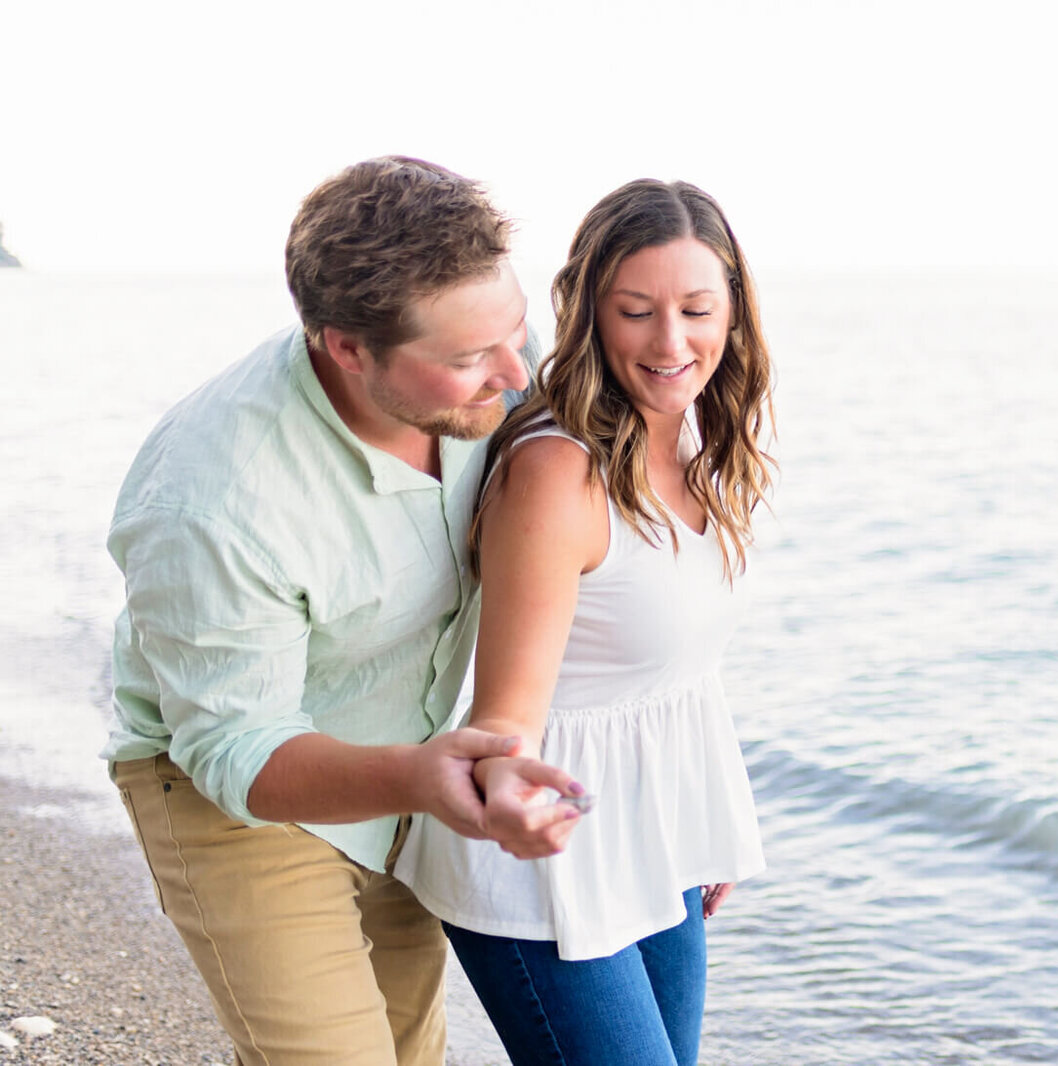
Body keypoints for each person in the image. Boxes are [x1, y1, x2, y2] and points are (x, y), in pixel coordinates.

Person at [102, 155, 586, 1066]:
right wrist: (418, 777)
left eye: (515, 331)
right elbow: (238, 751)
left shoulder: (489, 356)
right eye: (467, 360)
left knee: (410, 1054)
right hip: (237, 793)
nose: (516, 374)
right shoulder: (212, 499)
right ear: (347, 347)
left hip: (410, 760)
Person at [394, 179, 776, 1066]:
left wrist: (703, 820)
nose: (671, 342)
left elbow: (679, 673)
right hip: (543, 860)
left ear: (734, 313)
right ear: (590, 312)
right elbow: (507, 717)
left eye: (696, 309)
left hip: (659, 834)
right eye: (636, 311)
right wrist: (511, 793)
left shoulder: (695, 437)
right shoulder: (558, 474)